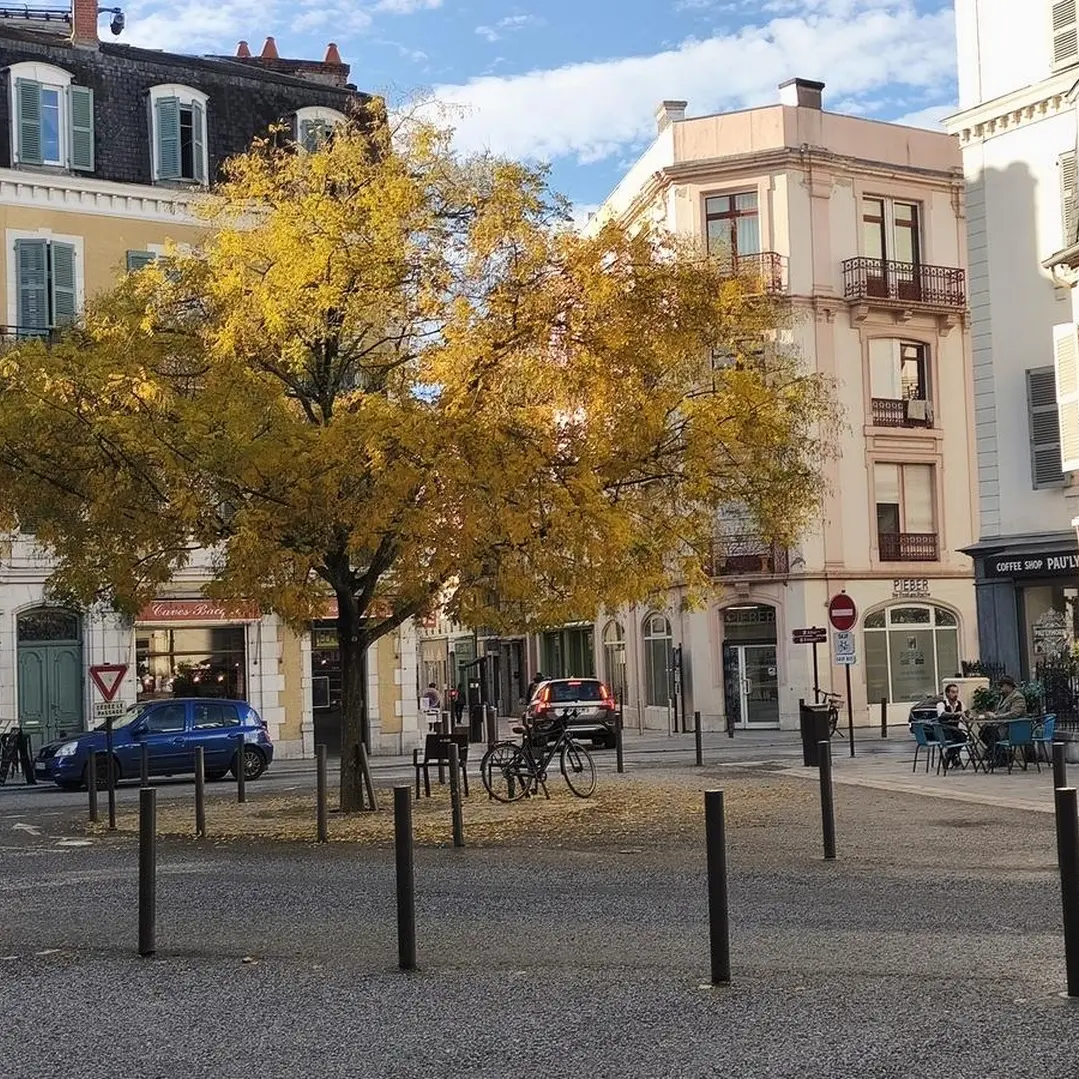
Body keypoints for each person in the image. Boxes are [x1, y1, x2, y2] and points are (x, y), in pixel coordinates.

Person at [980, 675, 1026, 766]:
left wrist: (996, 717)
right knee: (983, 731)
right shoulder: (1003, 697)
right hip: (1002, 725)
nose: (1000, 688)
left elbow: (1014, 714)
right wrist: (992, 714)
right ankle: (1001, 755)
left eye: (1002, 686)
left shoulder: (1017, 697)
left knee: (990, 732)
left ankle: (1000, 756)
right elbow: (1000, 711)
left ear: (1009, 686)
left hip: (1013, 727)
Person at [936, 683, 966, 766]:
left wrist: (968, 717)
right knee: (961, 737)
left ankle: (950, 755)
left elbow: (966, 714)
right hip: (944, 731)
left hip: (955, 731)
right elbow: (942, 714)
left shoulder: (960, 704)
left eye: (956, 692)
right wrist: (955, 714)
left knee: (963, 736)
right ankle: (952, 756)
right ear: (947, 693)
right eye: (953, 692)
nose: (955, 694)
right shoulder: (941, 704)